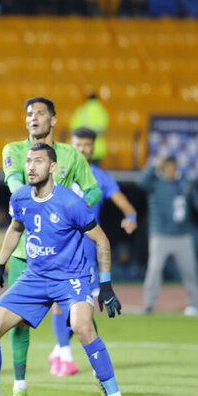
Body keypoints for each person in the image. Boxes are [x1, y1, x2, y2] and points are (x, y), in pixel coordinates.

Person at [0, 143, 127, 396]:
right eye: (28, 161)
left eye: (38, 161)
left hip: (71, 278)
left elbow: (102, 239)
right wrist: (0, 264)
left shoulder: (71, 202)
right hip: (34, 278)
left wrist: (105, 285)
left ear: (53, 167)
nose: (31, 167)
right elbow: (15, 227)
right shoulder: (20, 197)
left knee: (83, 327)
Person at [1, 96, 101, 396]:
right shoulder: (14, 151)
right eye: (29, 113)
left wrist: (76, 206)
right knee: (17, 322)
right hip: (24, 253)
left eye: (40, 113)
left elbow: (94, 188)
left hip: (64, 256)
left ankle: (103, 378)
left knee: (83, 320)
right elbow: (16, 184)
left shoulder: (71, 155)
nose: (33, 118)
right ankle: (20, 385)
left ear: (53, 120)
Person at [47, 127, 138, 376]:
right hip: (59, 248)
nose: (83, 148)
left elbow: (128, 207)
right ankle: (65, 355)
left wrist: (130, 217)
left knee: (82, 308)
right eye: (78, 143)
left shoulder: (101, 177)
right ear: (70, 144)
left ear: (93, 147)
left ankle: (60, 349)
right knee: (59, 299)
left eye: (87, 144)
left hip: (87, 253)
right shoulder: (59, 171)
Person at [137, 156, 198, 316]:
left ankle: (193, 304)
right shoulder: (155, 182)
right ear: (163, 168)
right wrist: (153, 166)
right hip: (160, 235)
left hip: (183, 235)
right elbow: (140, 182)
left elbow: (196, 197)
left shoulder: (183, 182)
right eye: (167, 167)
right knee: (154, 270)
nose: (170, 170)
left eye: (173, 167)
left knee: (190, 271)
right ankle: (148, 304)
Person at [69, 93, 109, 161]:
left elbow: (73, 128)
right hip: (98, 147)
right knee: (95, 170)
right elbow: (104, 128)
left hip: (83, 148)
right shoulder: (102, 111)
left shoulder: (82, 111)